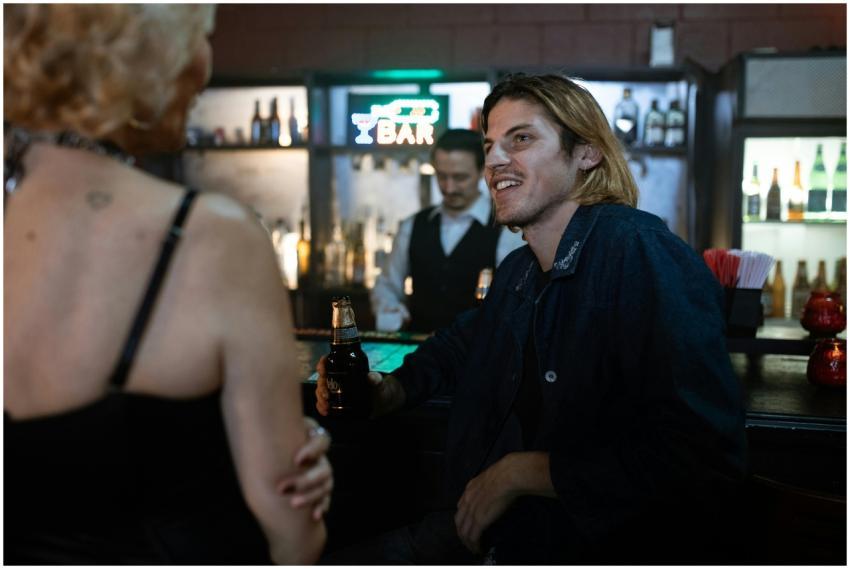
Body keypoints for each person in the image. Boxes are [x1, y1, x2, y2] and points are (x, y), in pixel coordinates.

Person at [317, 73, 746, 564]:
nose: (494, 161)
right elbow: (457, 347)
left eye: (520, 139)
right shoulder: (520, 271)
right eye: (490, 146)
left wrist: (524, 472)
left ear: (586, 153)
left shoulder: (640, 253)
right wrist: (385, 390)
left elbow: (703, 455)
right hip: (490, 534)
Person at [4, 5, 331, 564]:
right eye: (202, 36)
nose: (207, 63)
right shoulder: (215, 237)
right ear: (147, 57)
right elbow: (293, 531)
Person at [370, 128, 524, 333]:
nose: (449, 188)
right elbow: (387, 285)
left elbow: (516, 299)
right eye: (442, 176)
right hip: (420, 346)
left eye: (460, 177)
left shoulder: (506, 229)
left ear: (483, 171)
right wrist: (392, 314)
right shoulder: (412, 225)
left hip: (477, 348)